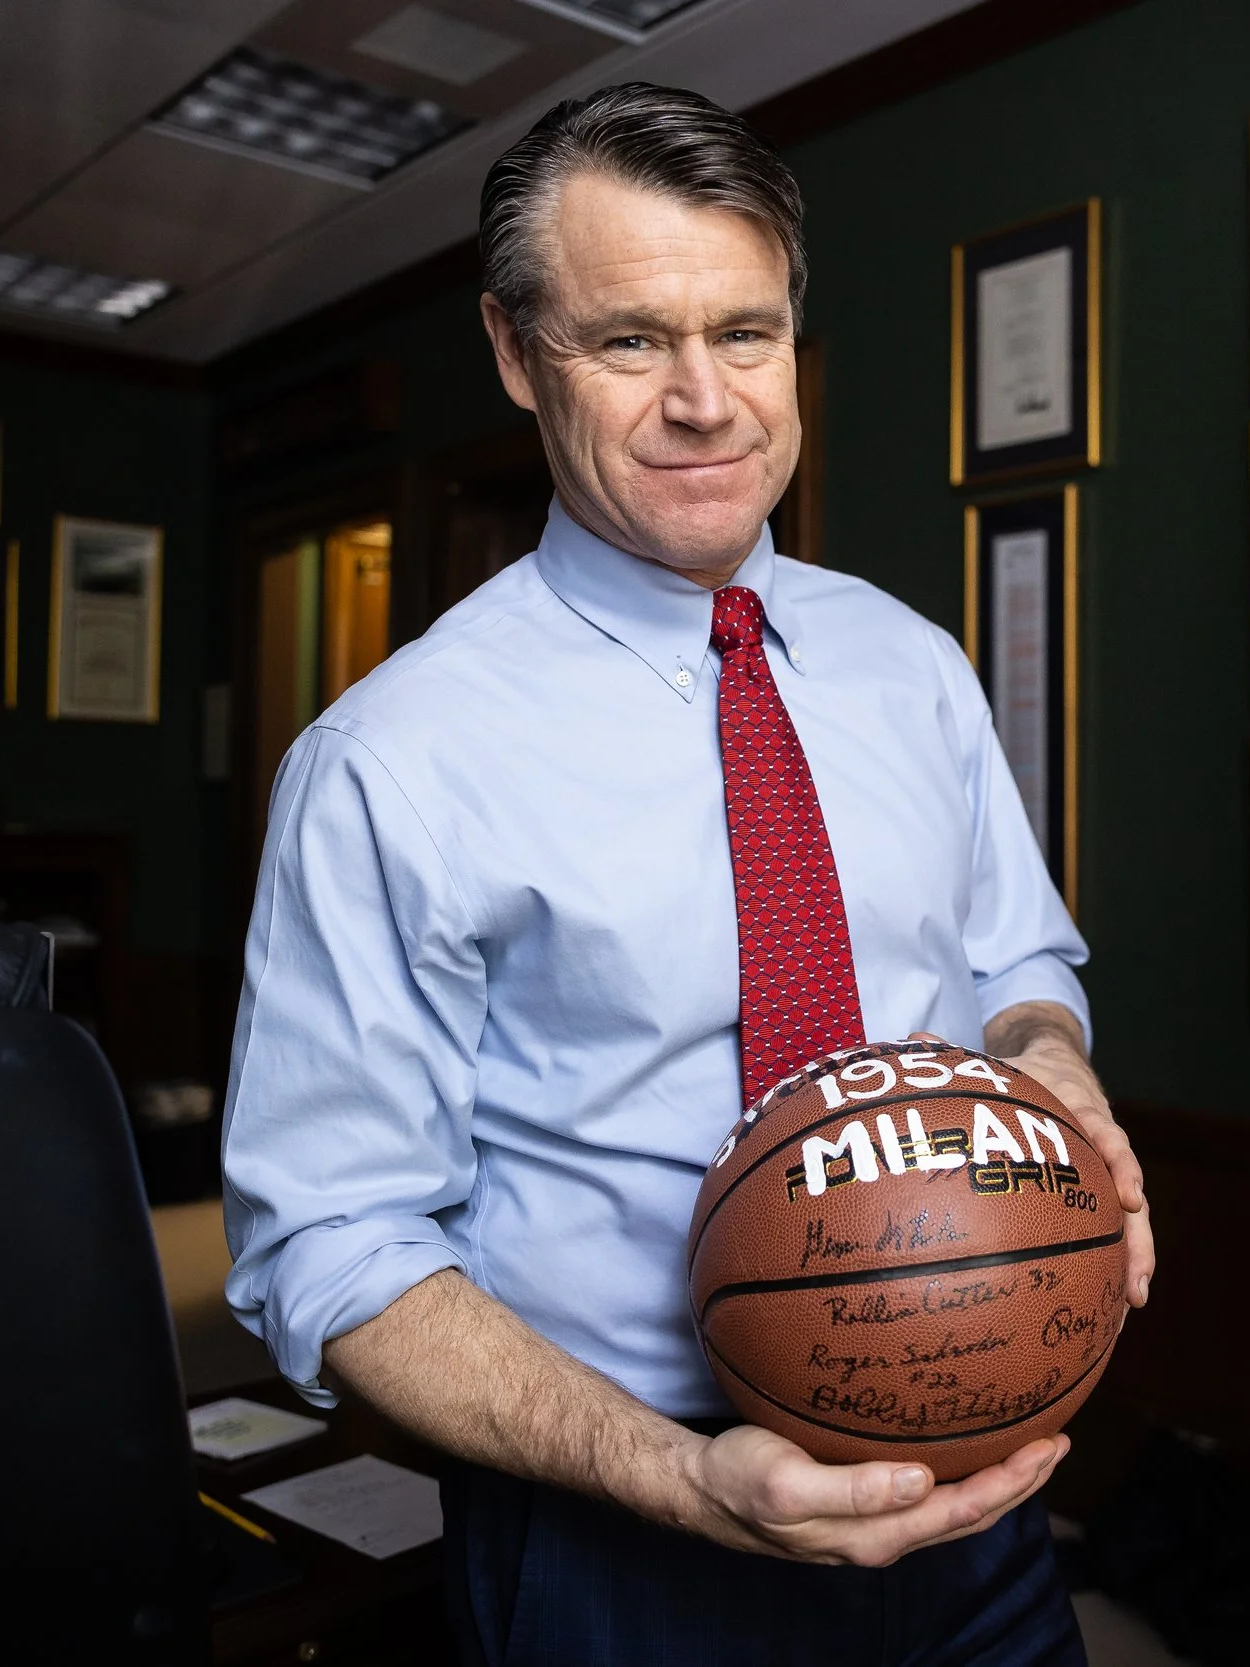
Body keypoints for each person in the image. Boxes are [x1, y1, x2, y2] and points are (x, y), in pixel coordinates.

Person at [220, 82, 1154, 1666]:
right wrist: (679, 1478)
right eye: (632, 340)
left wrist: (1052, 1064)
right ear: (519, 356)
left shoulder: (911, 666)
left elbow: (1017, 963)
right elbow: (331, 1242)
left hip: (976, 1501)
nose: (706, 399)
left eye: (747, 332)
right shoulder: (393, 758)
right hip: (620, 1540)